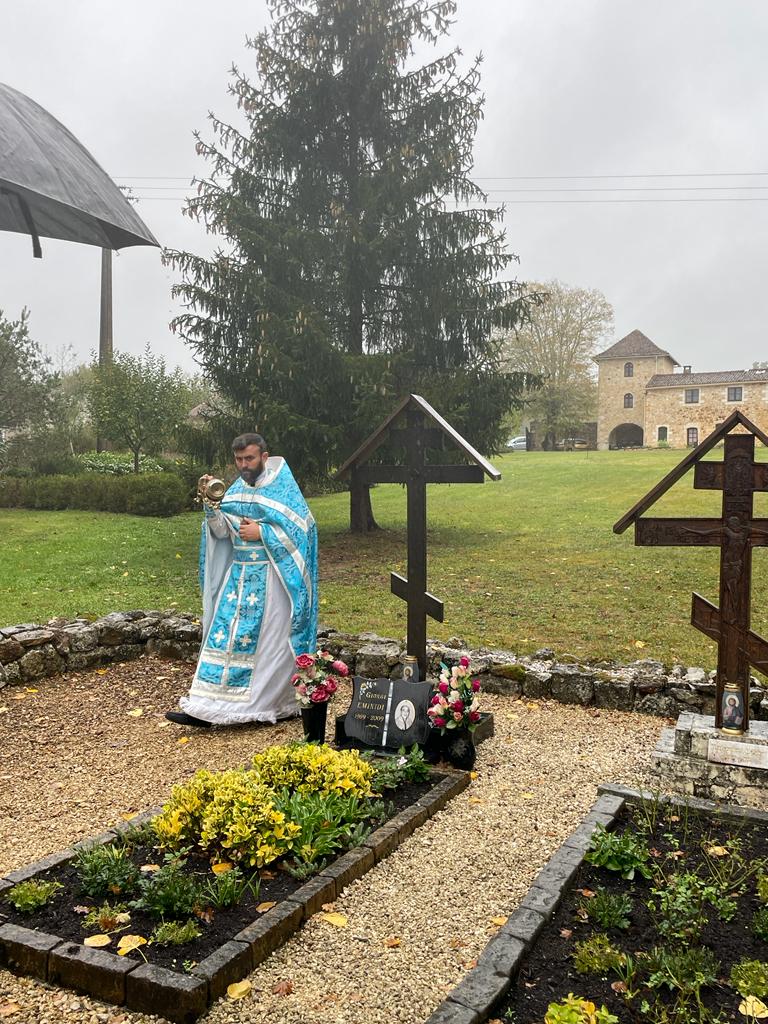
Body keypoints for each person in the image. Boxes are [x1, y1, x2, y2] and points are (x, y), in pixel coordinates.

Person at [166, 433, 318, 727]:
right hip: (237, 581)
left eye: (249, 458)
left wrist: (264, 533)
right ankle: (203, 705)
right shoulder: (237, 489)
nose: (243, 465)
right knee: (224, 639)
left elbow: (304, 532)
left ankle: (258, 706)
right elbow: (224, 532)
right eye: (238, 460)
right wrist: (212, 509)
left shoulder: (283, 490)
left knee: (263, 647)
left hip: (273, 582)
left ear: (264, 456)